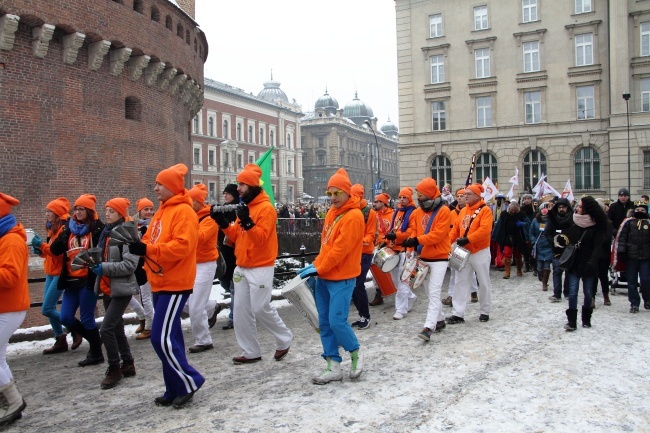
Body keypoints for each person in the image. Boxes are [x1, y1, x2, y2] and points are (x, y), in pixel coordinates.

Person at [128, 163, 204, 408]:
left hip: (175, 282)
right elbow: (151, 238)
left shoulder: (184, 212)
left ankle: (189, 381)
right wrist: (140, 245)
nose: (155, 187)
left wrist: (147, 249)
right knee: (171, 337)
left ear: (172, 187)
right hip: (160, 280)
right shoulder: (162, 210)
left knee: (160, 338)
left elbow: (182, 247)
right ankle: (174, 387)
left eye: (159, 184)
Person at [210, 164, 293, 364]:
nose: (238, 188)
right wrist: (222, 223)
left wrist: (248, 222)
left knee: (260, 307)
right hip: (242, 266)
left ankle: (284, 338)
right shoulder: (245, 208)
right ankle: (250, 351)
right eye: (238, 184)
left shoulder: (266, 209)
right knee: (240, 312)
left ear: (253, 186)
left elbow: (261, 239)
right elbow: (237, 237)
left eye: (242, 184)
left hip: (261, 265)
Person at [297, 168, 364, 384]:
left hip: (342, 278)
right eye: (330, 194)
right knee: (324, 322)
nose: (333, 198)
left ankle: (355, 352)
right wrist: (315, 265)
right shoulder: (332, 213)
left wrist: (318, 267)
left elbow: (339, 251)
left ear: (347, 193)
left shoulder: (353, 216)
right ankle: (332, 364)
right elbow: (326, 247)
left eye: (337, 193)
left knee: (337, 322)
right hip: (324, 276)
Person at [50, 194, 105, 367]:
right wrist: (62, 234)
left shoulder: (96, 229)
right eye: (76, 209)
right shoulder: (69, 228)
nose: (78, 212)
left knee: (87, 318)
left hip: (88, 280)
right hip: (70, 281)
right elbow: (55, 250)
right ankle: (95, 340)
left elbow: (102, 251)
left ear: (89, 211)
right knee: (66, 317)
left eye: (82, 209)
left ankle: (96, 353)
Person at [92, 198, 139, 389]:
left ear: (120, 213)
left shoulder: (127, 234)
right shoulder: (106, 233)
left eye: (111, 211)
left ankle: (114, 368)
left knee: (106, 329)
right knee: (117, 327)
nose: (107, 214)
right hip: (107, 287)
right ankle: (128, 363)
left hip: (121, 288)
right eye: (106, 210)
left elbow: (130, 265)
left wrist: (103, 267)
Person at [400, 178, 451, 342]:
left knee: (434, 292)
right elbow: (415, 230)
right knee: (430, 293)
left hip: (440, 258)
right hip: (423, 257)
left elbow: (438, 235)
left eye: (420, 194)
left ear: (429, 194)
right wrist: (410, 243)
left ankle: (429, 327)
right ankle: (440, 319)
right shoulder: (418, 211)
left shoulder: (444, 211)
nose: (418, 197)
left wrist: (417, 241)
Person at [31, 197, 80, 354]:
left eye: (49, 211)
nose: (46, 214)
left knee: (46, 309)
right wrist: (41, 252)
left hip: (59, 273)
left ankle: (76, 328)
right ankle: (60, 338)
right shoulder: (52, 228)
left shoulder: (64, 230)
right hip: (50, 272)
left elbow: (59, 254)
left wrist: (42, 246)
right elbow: (50, 254)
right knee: (49, 307)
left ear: (57, 213)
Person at [0, 193, 29, 426]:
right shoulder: (5, 238)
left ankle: (12, 401)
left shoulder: (11, 240)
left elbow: (9, 277)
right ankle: (12, 401)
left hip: (9, 308)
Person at [561, 196, 609, 330]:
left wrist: (592, 262)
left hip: (589, 264)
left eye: (581, 207)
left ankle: (586, 318)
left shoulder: (597, 225)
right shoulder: (573, 220)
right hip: (575, 263)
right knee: (573, 292)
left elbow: (597, 246)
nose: (577, 208)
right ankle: (572, 321)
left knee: (588, 293)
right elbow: (560, 227)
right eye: (578, 206)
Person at [448, 184, 494, 323]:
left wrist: (468, 239)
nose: (465, 196)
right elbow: (455, 230)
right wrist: (448, 243)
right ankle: (458, 313)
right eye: (464, 194)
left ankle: (485, 311)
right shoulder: (462, 211)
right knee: (459, 281)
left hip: (479, 251)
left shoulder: (485, 210)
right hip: (462, 251)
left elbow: (485, 230)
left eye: (469, 194)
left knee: (484, 282)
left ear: (477, 196)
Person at [184, 184, 219, 353]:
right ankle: (211, 306)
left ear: (198, 202)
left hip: (205, 264)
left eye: (191, 200)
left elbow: (200, 237)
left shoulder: (210, 219)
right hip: (190, 264)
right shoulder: (190, 216)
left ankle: (204, 340)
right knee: (183, 301)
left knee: (196, 305)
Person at [385, 188, 417, 320]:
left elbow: (411, 232)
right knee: (396, 282)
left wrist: (396, 235)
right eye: (400, 197)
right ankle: (411, 297)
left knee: (403, 281)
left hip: (405, 250)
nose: (402, 199)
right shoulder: (397, 211)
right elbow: (393, 227)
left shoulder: (413, 212)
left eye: (404, 197)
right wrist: (386, 240)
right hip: (393, 249)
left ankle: (401, 309)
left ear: (409, 198)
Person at [443, 188, 478, 307]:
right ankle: (452, 295)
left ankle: (473, 292)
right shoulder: (451, 213)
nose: (459, 198)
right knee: (454, 270)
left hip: (468, 243)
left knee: (470, 270)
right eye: (458, 196)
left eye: (462, 195)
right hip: (455, 244)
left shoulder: (472, 212)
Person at [349, 184, 376, 330]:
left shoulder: (369, 213)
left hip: (365, 253)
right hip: (353, 253)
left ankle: (366, 316)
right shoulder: (350, 210)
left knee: (358, 284)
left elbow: (371, 234)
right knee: (353, 285)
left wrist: (361, 242)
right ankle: (361, 315)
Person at [616, 202, 650, 313]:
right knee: (632, 282)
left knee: (646, 280)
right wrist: (622, 252)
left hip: (646, 257)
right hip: (631, 257)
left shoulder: (648, 223)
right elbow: (622, 238)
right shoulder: (628, 223)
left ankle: (647, 299)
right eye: (638, 209)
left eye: (642, 210)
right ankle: (634, 303)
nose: (640, 211)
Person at [128, 197, 155, 340]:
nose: (149, 212)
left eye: (151, 209)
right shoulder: (133, 224)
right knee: (126, 294)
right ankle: (143, 318)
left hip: (147, 263)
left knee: (146, 296)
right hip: (133, 263)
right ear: (140, 210)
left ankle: (150, 327)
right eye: (146, 209)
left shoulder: (154, 224)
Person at [215, 184, 239, 330]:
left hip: (234, 254)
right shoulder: (223, 209)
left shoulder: (238, 210)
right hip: (223, 252)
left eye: (228, 193)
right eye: (224, 193)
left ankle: (233, 318)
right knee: (225, 282)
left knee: (233, 286)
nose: (225, 196)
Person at [492, 200, 530, 279]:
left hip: (518, 236)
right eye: (512, 210)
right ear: (509, 209)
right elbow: (499, 225)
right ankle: (507, 272)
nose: (513, 211)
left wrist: (522, 224)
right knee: (507, 253)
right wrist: (495, 236)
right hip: (506, 237)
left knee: (517, 254)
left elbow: (528, 223)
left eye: (515, 210)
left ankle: (519, 270)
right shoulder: (504, 214)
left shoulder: (521, 214)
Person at [368, 193, 393, 307]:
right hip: (377, 245)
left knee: (392, 272)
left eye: (377, 201)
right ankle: (379, 292)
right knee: (376, 271)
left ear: (383, 202)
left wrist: (386, 242)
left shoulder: (392, 214)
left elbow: (392, 231)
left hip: (389, 246)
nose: (375, 203)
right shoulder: (373, 214)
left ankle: (399, 292)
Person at [529, 207, 553, 291]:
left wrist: (552, 241)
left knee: (547, 264)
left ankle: (544, 283)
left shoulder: (551, 220)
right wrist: (534, 241)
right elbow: (531, 232)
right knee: (539, 266)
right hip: (538, 245)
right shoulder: (535, 221)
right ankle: (541, 277)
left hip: (548, 245)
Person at [519, 194, 535, 273]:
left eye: (528, 198)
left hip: (532, 229)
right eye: (525, 199)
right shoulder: (521, 209)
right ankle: (526, 264)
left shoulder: (534, 209)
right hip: (523, 230)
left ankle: (532, 264)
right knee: (524, 249)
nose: (527, 200)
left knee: (531, 248)